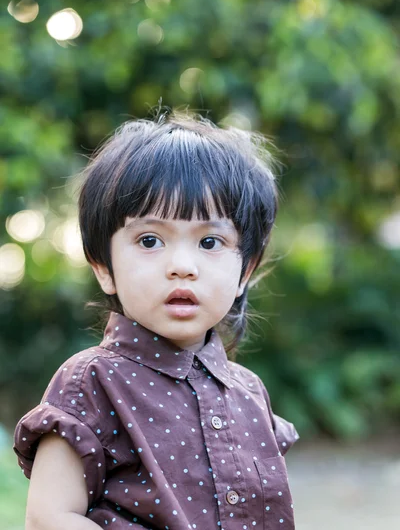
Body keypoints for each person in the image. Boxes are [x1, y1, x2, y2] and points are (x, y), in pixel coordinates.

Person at [14, 110, 299, 530]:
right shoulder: (90, 383)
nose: (182, 266)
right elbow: (49, 518)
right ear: (103, 268)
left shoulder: (250, 392)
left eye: (209, 241)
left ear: (246, 270)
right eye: (150, 240)